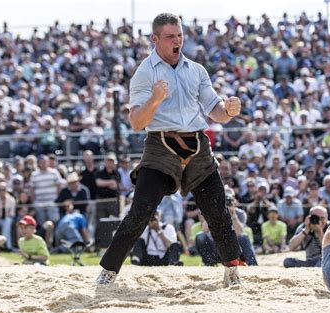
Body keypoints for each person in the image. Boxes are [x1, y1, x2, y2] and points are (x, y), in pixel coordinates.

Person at [97, 13, 243, 287]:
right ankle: (108, 272)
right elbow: (137, 122)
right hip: (160, 146)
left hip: (198, 144)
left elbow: (216, 111)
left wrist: (229, 111)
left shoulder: (197, 69)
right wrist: (154, 99)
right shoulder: (145, 72)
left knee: (218, 212)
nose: (177, 41)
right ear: (155, 39)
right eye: (170, 37)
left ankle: (233, 270)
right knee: (140, 212)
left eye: (179, 35)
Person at [195, 194, 257, 266]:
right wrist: (213, 211)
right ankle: (209, 263)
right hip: (216, 245)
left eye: (228, 202)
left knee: (244, 237)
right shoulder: (214, 211)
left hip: (233, 246)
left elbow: (239, 232)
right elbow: (204, 230)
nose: (226, 205)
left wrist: (233, 214)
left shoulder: (240, 213)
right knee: (200, 236)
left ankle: (252, 264)